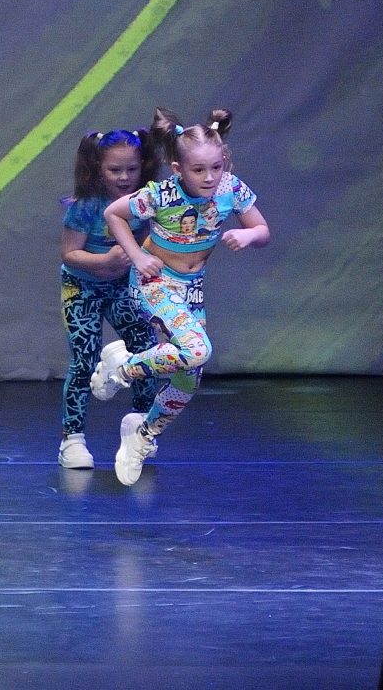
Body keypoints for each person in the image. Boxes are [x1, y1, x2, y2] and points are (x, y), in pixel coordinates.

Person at [91, 108, 270, 485]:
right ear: (178, 168)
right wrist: (138, 256)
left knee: (189, 377)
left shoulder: (231, 189)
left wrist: (249, 235)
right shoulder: (161, 194)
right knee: (198, 349)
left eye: (216, 168)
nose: (209, 177)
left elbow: (262, 229)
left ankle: (142, 434)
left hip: (191, 290)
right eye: (198, 170)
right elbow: (114, 214)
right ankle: (123, 368)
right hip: (154, 284)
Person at [57, 129, 163, 469]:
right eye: (114, 170)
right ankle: (72, 439)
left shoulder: (144, 203)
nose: (124, 177)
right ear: (98, 167)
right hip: (82, 287)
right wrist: (104, 261)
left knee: (147, 350)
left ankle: (142, 429)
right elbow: (70, 254)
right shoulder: (87, 207)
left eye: (131, 169)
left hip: (122, 287)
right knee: (84, 357)